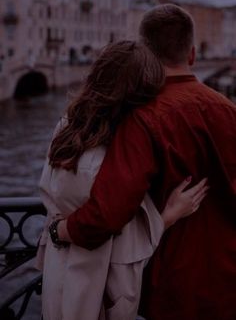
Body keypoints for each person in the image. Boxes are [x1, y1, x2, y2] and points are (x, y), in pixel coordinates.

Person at [57, 5, 236, 320]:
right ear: (192, 54)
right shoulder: (229, 110)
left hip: (172, 286)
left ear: (146, 57)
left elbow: (105, 216)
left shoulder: (143, 118)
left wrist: (59, 231)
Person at [36, 40, 208, 320]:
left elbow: (51, 194)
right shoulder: (124, 145)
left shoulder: (69, 125)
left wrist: (57, 232)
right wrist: (169, 215)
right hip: (98, 278)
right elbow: (110, 224)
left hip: (59, 265)